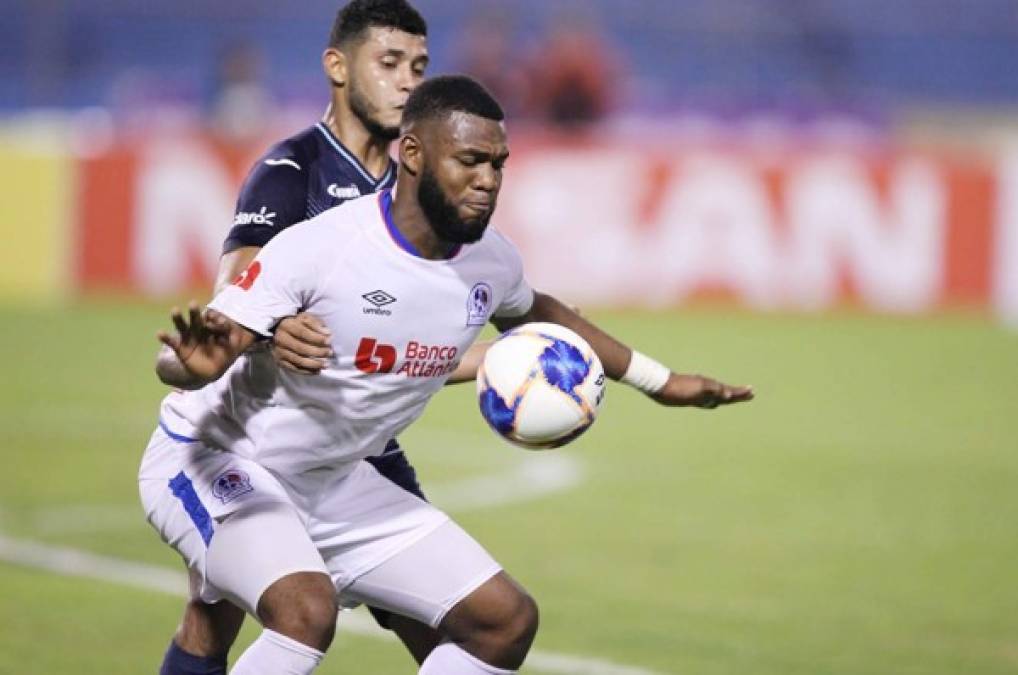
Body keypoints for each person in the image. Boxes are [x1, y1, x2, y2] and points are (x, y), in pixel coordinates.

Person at [144, 74, 753, 675]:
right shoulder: (321, 249)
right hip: (214, 459)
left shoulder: (491, 260)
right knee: (304, 612)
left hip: (329, 479)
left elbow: (539, 312)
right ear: (411, 153)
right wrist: (190, 367)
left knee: (503, 621)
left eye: (498, 165)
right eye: (470, 161)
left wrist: (659, 380)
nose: (487, 183)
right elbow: (194, 355)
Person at [158, 2, 472, 672]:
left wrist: (503, 362)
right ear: (338, 66)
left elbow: (407, 344)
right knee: (215, 622)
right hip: (261, 439)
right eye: (388, 63)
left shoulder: (412, 192)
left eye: (419, 66)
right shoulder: (292, 171)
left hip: (364, 448)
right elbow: (235, 294)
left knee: (452, 632)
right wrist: (272, 328)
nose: (408, 81)